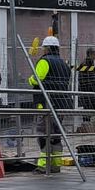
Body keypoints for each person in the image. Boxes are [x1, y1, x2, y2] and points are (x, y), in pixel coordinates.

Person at [28, 35, 72, 171]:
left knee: (44, 132)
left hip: (46, 103)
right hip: (61, 103)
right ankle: (56, 164)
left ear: (46, 48)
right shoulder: (64, 64)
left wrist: (30, 79)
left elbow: (37, 79)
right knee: (56, 134)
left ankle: (43, 164)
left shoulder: (45, 61)